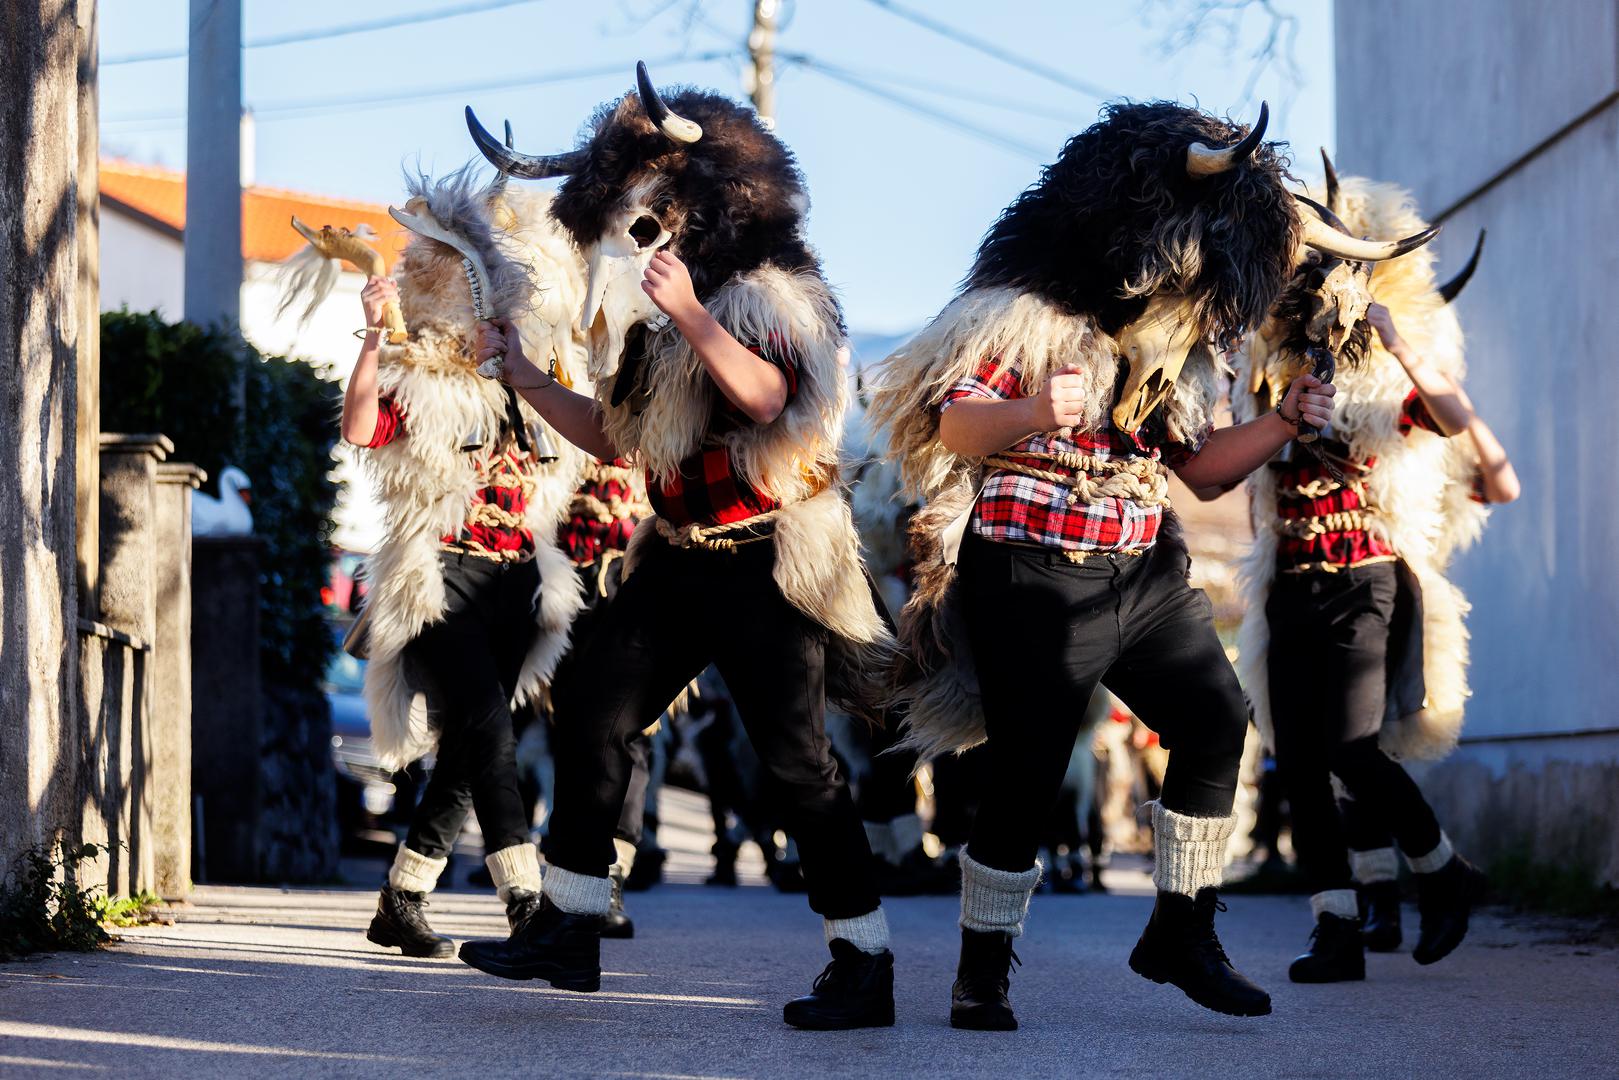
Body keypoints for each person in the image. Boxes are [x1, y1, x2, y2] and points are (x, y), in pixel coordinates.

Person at [869, 100, 1438, 1029]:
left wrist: (1282, 421)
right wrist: (1032, 414)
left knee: (1216, 721)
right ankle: (981, 973)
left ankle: (1182, 930)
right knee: (1027, 772)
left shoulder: (1180, 347)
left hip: (1141, 571)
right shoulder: (1022, 316)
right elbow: (954, 423)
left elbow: (1203, 471)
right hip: (1031, 569)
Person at [453, 64, 899, 1030]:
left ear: (710, 200)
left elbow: (768, 400)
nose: (637, 228)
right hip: (677, 557)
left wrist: (693, 314)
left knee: (796, 765)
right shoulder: (659, 322)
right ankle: (570, 930)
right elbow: (618, 439)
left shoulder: (774, 295)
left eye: (652, 207)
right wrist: (526, 375)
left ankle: (864, 961)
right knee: (592, 711)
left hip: (770, 560)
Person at [1230, 164, 1519, 982]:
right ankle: (1336, 929)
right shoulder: (1267, 380)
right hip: (1288, 583)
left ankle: (1440, 870)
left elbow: (1454, 419)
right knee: (1298, 761)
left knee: (1352, 747)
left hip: (1365, 580)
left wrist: (1398, 343)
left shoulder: (1383, 388)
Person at [321, 172, 588, 956]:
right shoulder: (419, 376)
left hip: (520, 578)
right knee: (490, 734)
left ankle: (400, 900)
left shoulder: (526, 376)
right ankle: (526, 906)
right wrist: (373, 335)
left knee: (473, 748)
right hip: (440, 576)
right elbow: (360, 428)